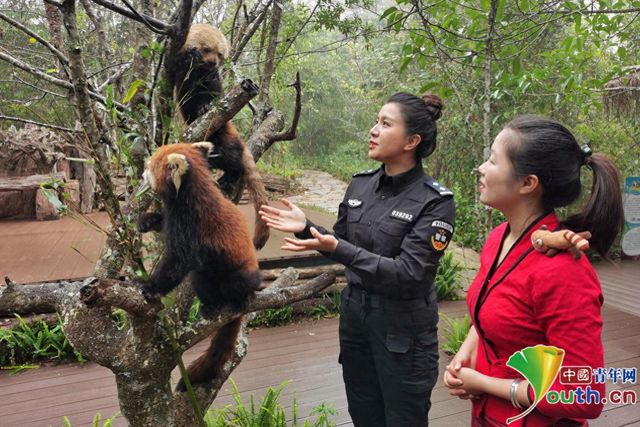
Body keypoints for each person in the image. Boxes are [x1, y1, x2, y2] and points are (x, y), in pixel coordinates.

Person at [259, 92, 455, 426]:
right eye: (376, 121)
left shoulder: (434, 202)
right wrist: (306, 227)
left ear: (412, 140)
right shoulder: (361, 185)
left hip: (402, 332)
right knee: (363, 415)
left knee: (403, 418)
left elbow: (411, 274)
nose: (373, 130)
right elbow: (342, 241)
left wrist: (338, 248)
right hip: (356, 323)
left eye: (385, 123)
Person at [443, 116, 623, 427]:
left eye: (492, 161)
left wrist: (483, 383)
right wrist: (466, 352)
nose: (481, 169)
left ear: (528, 183)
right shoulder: (498, 238)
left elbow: (584, 395)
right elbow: (488, 311)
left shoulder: (564, 271)